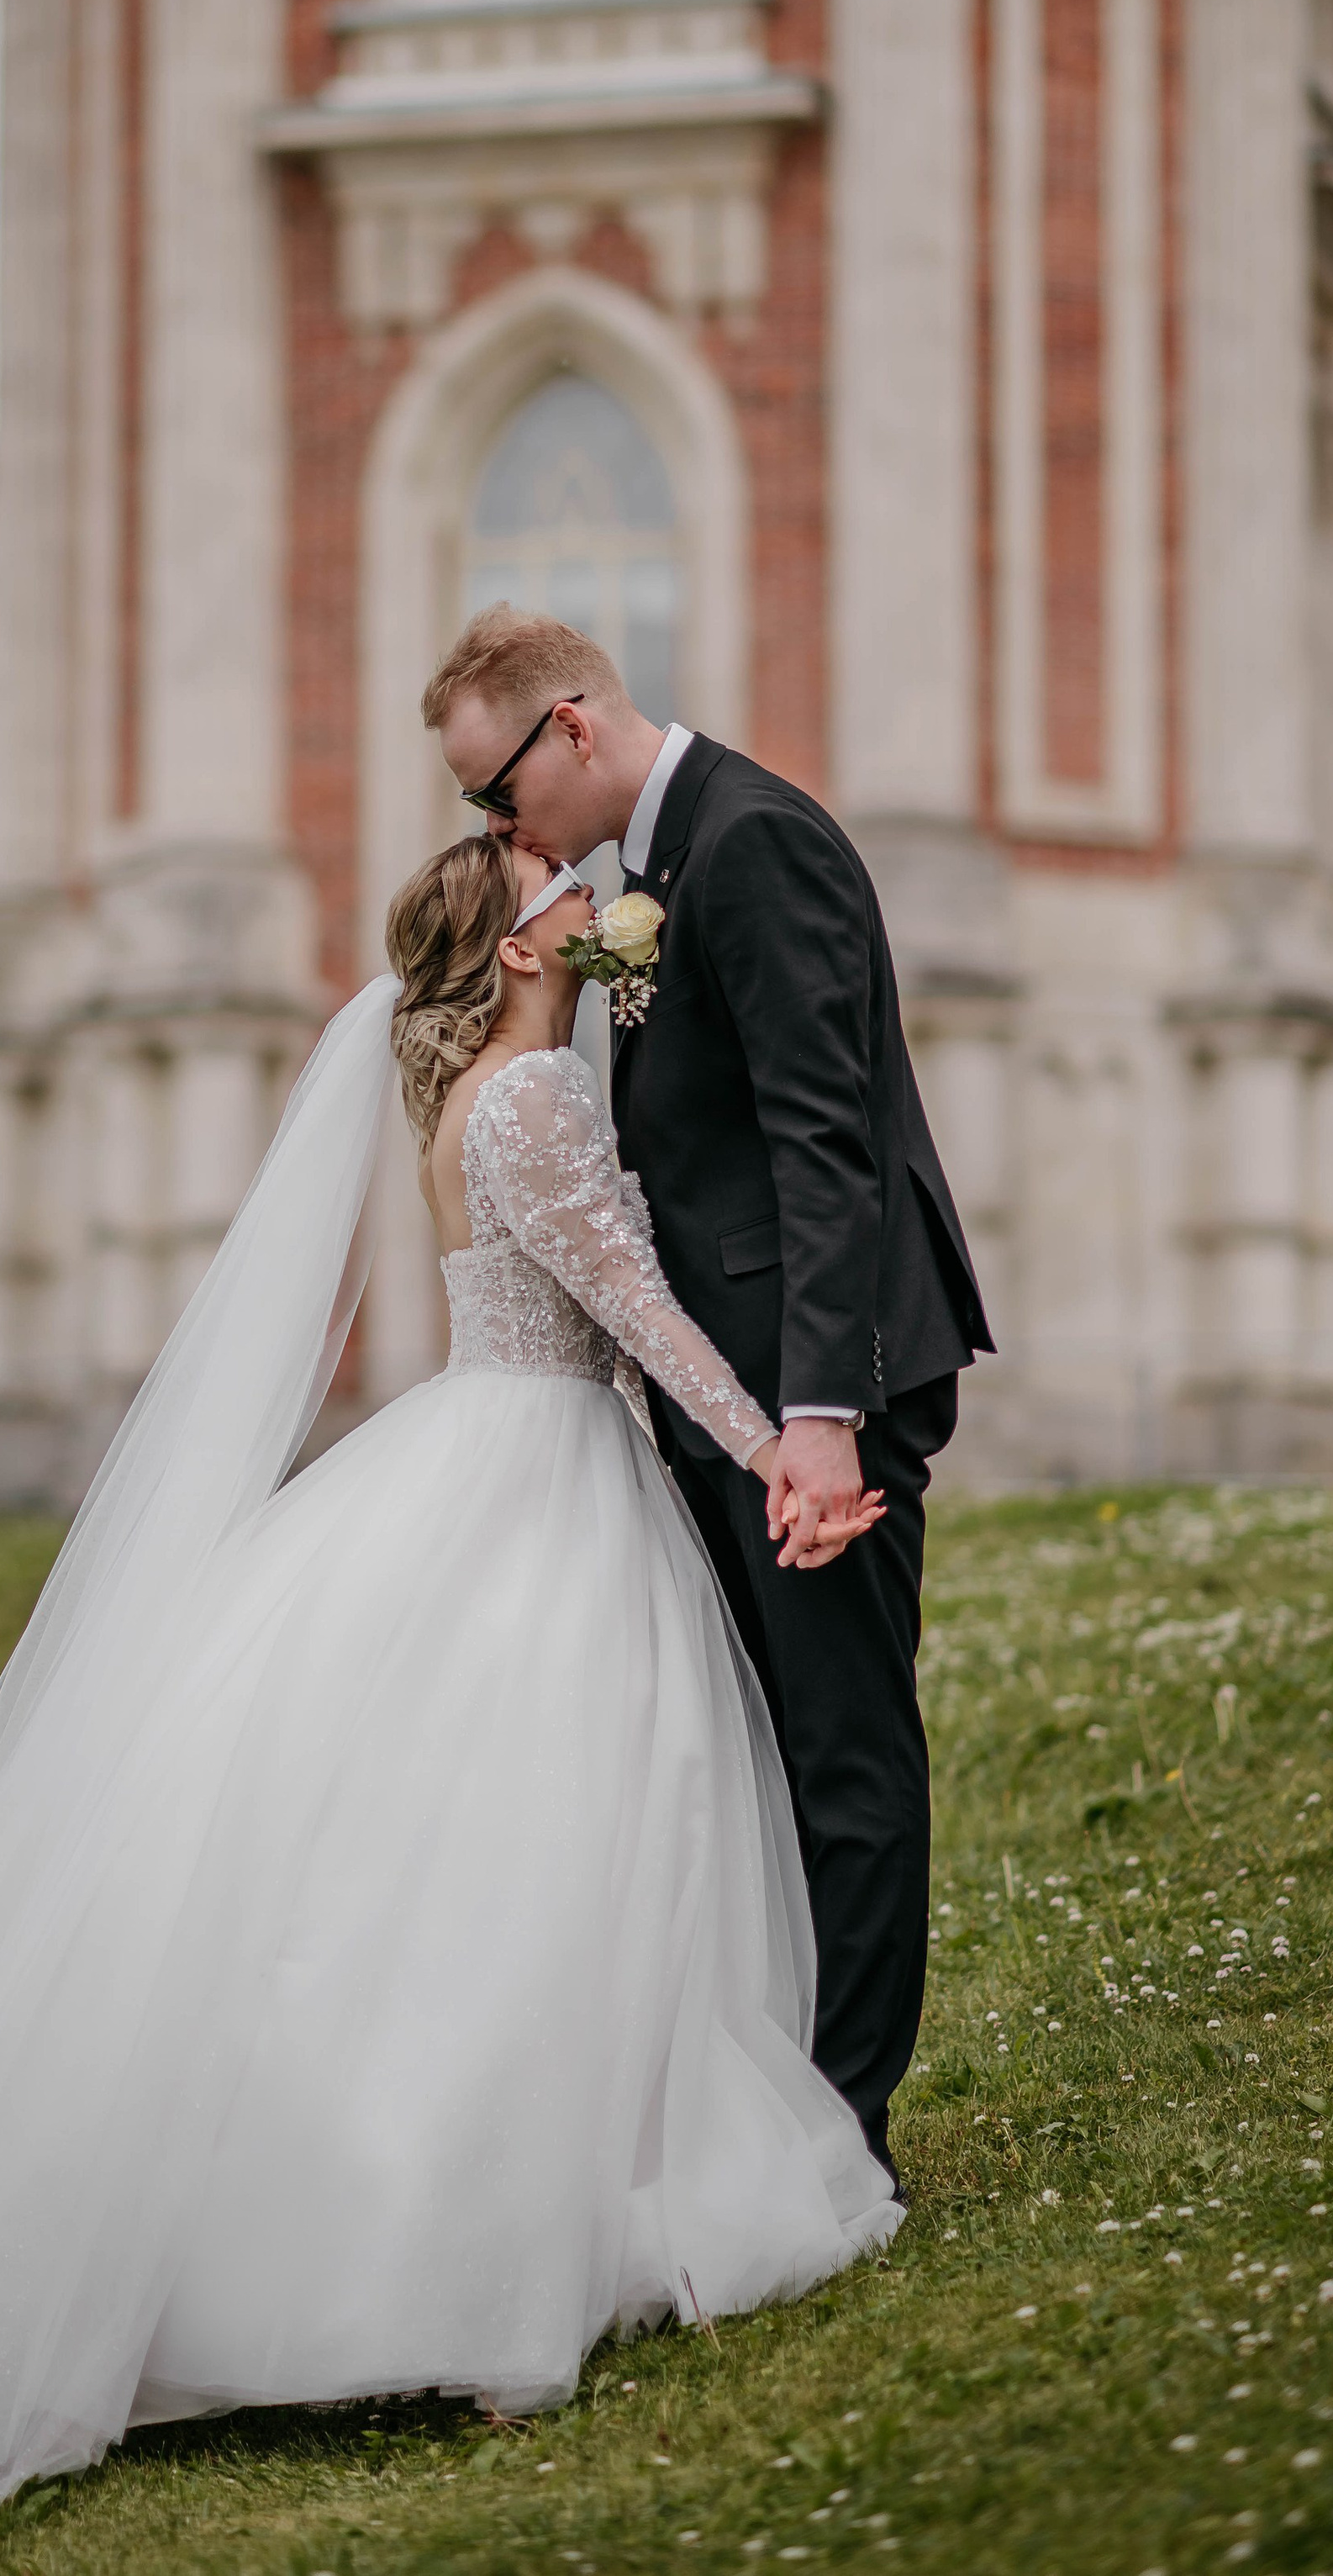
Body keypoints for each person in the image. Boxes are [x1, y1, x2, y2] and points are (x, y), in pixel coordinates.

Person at [0, 837, 898, 2545]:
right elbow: (636, 1307)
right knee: (533, 1852)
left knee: (463, 1863)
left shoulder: (476, 1094)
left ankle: (471, 2236)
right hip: (545, 1476)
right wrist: (777, 1454)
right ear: (515, 955)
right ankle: (463, 2265)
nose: (588, 906)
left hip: (492, 1456)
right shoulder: (532, 1103)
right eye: (555, 898)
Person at [427, 608, 993, 2191]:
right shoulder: (650, 882)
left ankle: (843, 2137)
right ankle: (776, 2106)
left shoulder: (753, 845)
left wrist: (818, 1413)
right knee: (758, 1753)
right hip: (723, 1398)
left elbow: (828, 1143)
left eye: (498, 792)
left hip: (813, 1401)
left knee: (844, 1751)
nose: (497, 829)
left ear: (574, 729)